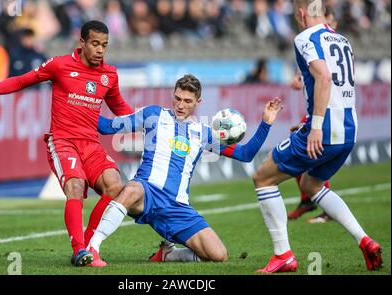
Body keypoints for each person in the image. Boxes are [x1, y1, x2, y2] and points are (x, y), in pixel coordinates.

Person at [0, 21, 134, 267]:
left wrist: (148, 120)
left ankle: (90, 246)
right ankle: (78, 249)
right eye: (95, 44)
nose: (100, 50)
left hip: (91, 144)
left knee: (114, 185)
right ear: (82, 42)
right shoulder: (59, 65)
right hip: (63, 141)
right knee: (75, 185)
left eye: (104, 45)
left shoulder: (109, 75)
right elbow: (21, 81)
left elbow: (121, 109)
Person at [85, 74, 283, 266]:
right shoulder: (153, 115)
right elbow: (107, 127)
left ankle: (169, 255)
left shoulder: (203, 134)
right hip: (147, 194)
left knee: (218, 255)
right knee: (131, 189)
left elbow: (245, 154)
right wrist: (81, 103)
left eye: (188, 101)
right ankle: (92, 248)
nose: (181, 105)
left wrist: (266, 123)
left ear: (198, 101)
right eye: (178, 98)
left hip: (177, 207)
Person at [252, 0, 382, 273]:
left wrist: (315, 127)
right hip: (348, 130)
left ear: (300, 14)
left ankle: (283, 255)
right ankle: (365, 240)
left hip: (325, 130)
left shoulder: (305, 37)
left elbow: (324, 78)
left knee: (263, 178)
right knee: (312, 185)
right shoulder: (342, 39)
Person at [287, 5, 339, 223]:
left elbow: (326, 75)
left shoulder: (324, 36)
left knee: (309, 149)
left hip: (329, 108)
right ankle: (307, 197)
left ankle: (321, 204)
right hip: (324, 108)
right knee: (299, 145)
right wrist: (300, 76)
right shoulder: (328, 40)